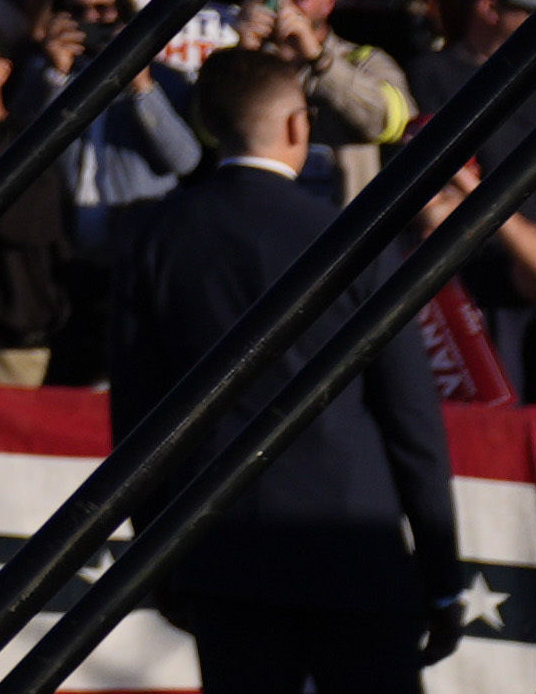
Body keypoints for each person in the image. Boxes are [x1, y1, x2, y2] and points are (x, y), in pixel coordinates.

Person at [109, 48, 454, 694]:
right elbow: (412, 421)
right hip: (358, 551)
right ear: (299, 125)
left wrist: (160, 559)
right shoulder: (354, 237)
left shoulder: (154, 238)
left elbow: (138, 419)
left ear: (208, 125)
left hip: (222, 554)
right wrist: (442, 576)